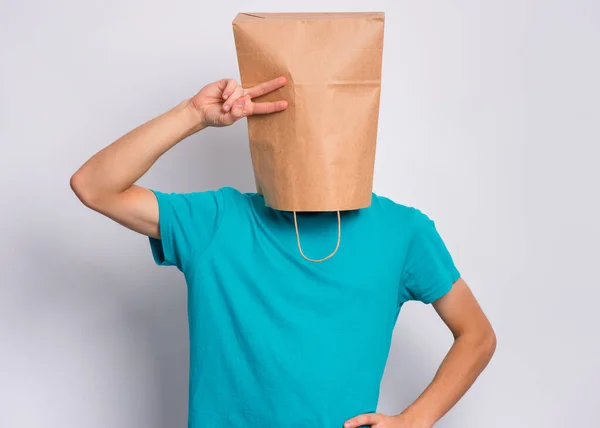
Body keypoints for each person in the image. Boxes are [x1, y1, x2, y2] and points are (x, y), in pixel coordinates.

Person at [71, 76, 496, 428]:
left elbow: (476, 335)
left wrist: (417, 418)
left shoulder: (403, 232)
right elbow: (94, 186)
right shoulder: (219, 220)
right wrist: (194, 114)